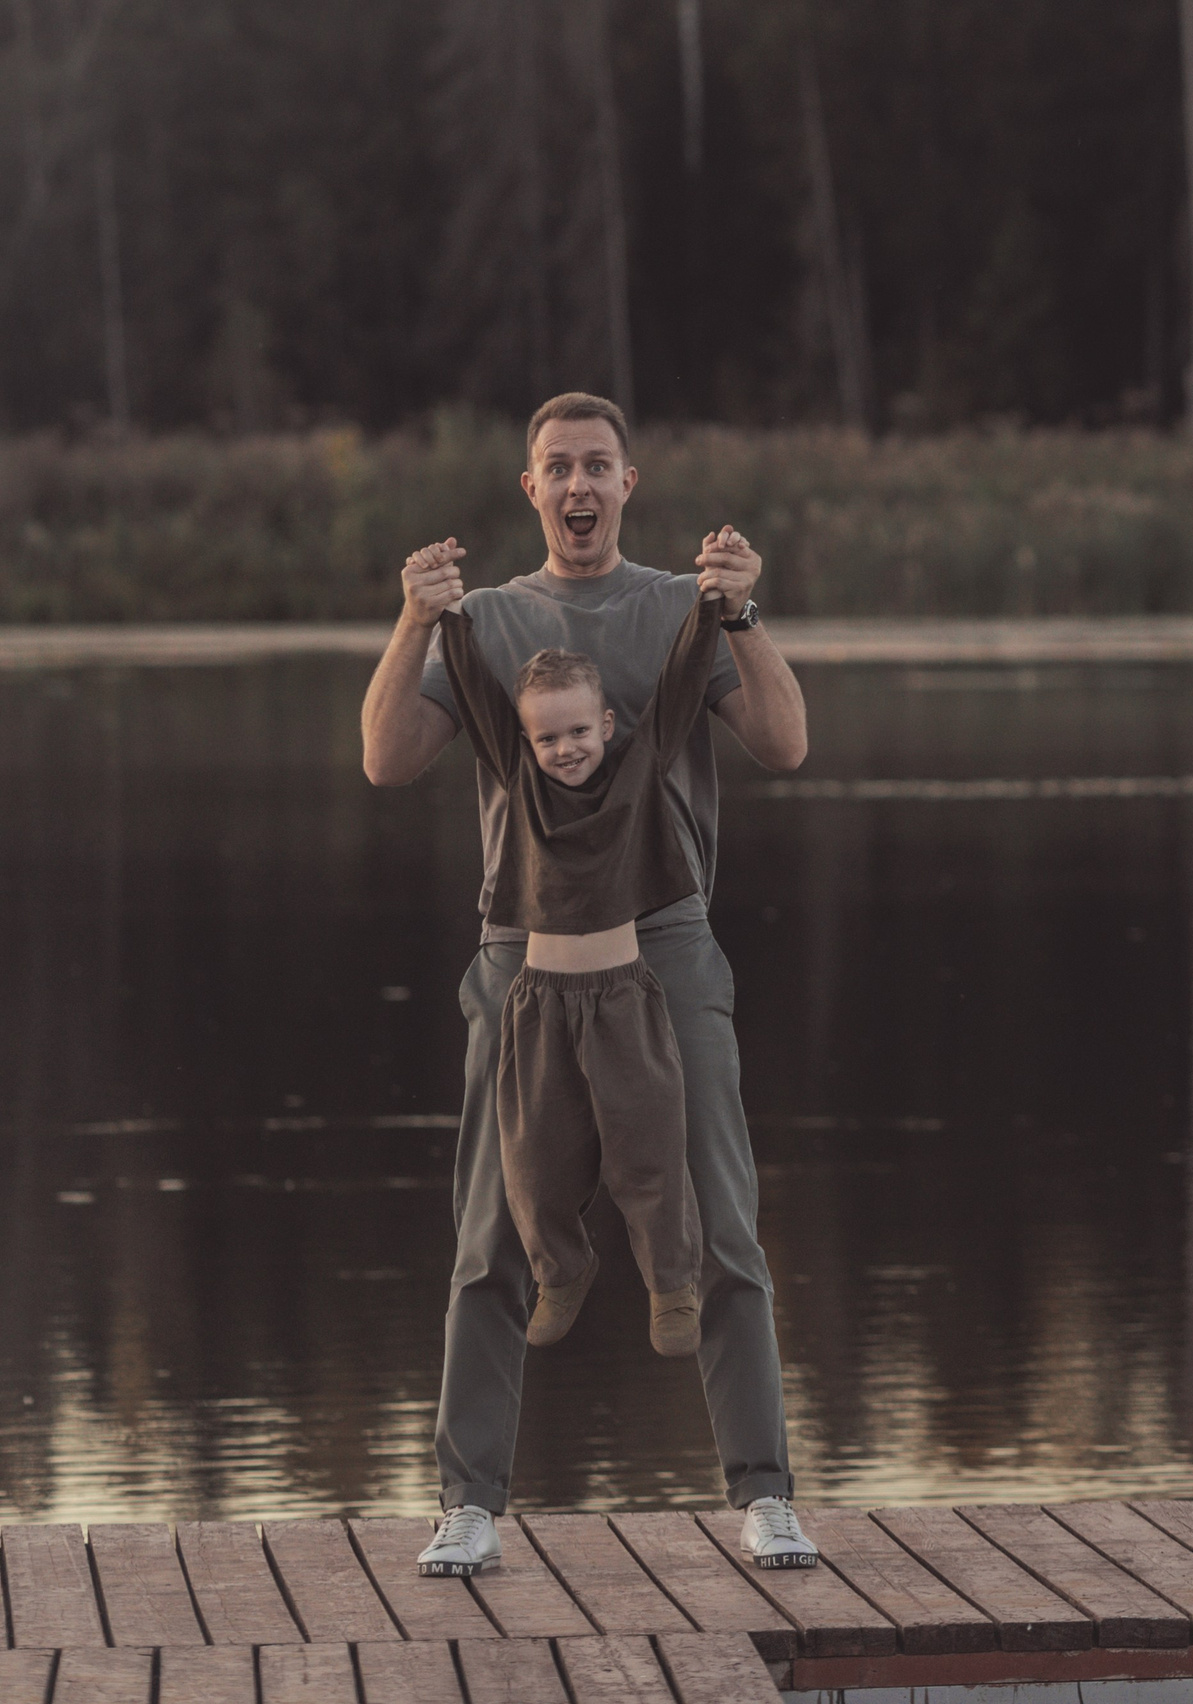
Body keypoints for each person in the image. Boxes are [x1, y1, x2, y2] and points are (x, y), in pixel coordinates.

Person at [360, 392, 819, 1577]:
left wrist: (746, 615)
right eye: (556, 466)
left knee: (722, 1226)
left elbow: (784, 743)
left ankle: (764, 1495)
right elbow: (384, 758)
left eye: (597, 467)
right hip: (520, 956)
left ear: (628, 484)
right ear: (530, 488)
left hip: (666, 948)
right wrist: (412, 622)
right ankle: (469, 1503)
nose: (577, 486)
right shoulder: (489, 621)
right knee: (490, 1236)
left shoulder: (681, 609)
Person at [433, 592, 720, 1361]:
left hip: (625, 997)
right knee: (532, 1160)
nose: (564, 749)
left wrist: (716, 605)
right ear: (525, 743)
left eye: (577, 733)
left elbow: (681, 689)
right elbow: (479, 698)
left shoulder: (639, 773)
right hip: (538, 1004)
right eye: (547, 737)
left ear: (608, 728)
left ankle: (672, 1285)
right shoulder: (521, 781)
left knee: (648, 1149)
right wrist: (445, 617)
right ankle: (561, 1271)